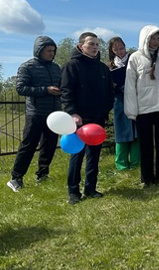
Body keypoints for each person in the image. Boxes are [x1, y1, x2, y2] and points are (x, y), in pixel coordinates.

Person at [124, 26, 159, 187]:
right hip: (144, 109)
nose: (155, 42)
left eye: (158, 39)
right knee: (146, 146)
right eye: (152, 39)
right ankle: (147, 178)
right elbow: (129, 86)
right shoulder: (135, 58)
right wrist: (131, 110)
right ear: (145, 39)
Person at [60, 32, 114, 204]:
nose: (95, 47)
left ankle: (90, 188)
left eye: (97, 44)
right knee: (77, 154)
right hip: (79, 119)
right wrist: (73, 112)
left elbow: (109, 93)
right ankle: (73, 192)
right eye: (91, 44)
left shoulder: (103, 68)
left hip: (97, 119)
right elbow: (66, 91)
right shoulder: (72, 66)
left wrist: (105, 110)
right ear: (81, 45)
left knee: (94, 156)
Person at [7, 36, 62, 192]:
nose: (52, 54)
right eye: (48, 51)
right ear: (39, 51)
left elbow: (60, 85)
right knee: (28, 145)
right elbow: (21, 88)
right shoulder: (27, 67)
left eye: (53, 51)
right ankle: (16, 178)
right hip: (36, 113)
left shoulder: (56, 68)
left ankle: (42, 174)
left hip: (54, 114)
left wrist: (60, 92)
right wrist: (45, 90)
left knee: (49, 145)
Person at [108, 36, 140, 171]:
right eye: (116, 50)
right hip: (120, 100)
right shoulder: (110, 65)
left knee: (137, 131)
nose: (120, 52)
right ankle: (121, 164)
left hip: (135, 98)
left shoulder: (134, 60)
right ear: (112, 51)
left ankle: (135, 163)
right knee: (121, 132)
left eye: (121, 48)